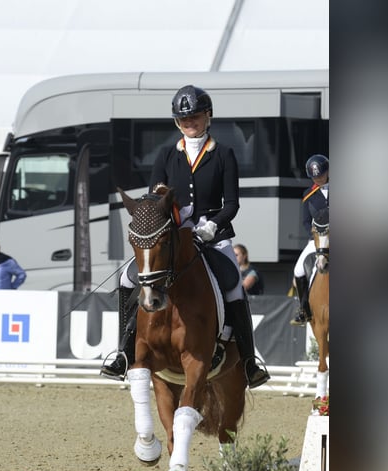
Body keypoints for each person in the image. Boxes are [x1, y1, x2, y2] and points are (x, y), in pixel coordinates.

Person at [100, 85, 270, 388]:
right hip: (173, 236)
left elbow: (232, 204)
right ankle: (124, 352)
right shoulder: (167, 155)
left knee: (233, 285)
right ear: (178, 122)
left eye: (195, 116)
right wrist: (167, 208)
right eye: (184, 118)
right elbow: (154, 197)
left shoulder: (224, 155)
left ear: (208, 117)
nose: (190, 122)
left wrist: (212, 224)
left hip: (211, 235)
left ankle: (248, 360)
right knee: (128, 279)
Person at [290, 154, 329, 325]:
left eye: (321, 175)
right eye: (315, 176)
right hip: (318, 240)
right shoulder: (308, 194)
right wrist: (315, 235)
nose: (319, 179)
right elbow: (306, 221)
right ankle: (304, 309)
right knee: (298, 270)